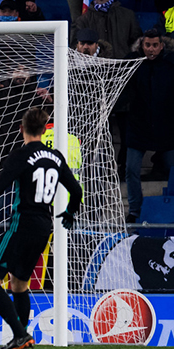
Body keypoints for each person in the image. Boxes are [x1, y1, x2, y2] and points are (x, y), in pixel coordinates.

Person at [0, 107, 83, 349]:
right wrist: (69, 213)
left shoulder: (21, 155)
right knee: (19, 285)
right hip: (43, 227)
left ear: (22, 129)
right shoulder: (56, 156)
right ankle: (21, 341)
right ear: (44, 129)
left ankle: (20, 334)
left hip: (21, 223)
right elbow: (76, 191)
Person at [119, 29, 174, 223]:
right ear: (142, 45)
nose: (151, 49)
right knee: (131, 169)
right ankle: (135, 210)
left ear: (161, 46)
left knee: (171, 168)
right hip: (138, 126)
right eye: (147, 45)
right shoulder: (132, 62)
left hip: (166, 127)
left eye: (155, 45)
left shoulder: (170, 64)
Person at [70, 0, 142, 59]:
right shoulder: (82, 20)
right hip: (94, 71)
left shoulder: (128, 15)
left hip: (123, 70)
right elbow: (74, 49)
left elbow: (137, 44)